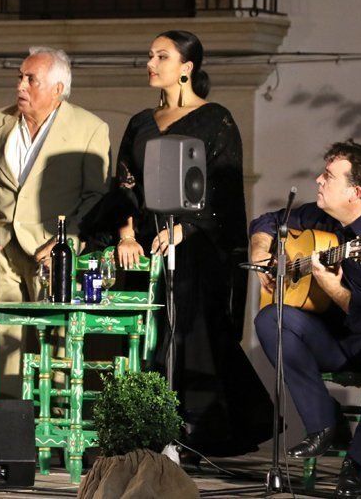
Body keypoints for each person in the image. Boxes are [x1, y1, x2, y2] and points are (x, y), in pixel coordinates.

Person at [112, 30, 273, 458]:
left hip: (196, 247)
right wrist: (127, 234)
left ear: (187, 67)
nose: (151, 63)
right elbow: (125, 186)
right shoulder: (140, 123)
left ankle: (190, 434)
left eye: (161, 56)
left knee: (186, 330)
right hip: (147, 247)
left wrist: (186, 229)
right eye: (149, 55)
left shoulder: (215, 119)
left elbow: (222, 191)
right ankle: (145, 428)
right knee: (146, 333)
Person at [250, 140, 361, 499]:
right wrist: (261, 250)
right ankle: (325, 423)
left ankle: (356, 465)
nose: (318, 180)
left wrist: (332, 288)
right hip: (344, 335)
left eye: (328, 176)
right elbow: (269, 221)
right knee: (270, 318)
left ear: (356, 191)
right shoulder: (325, 218)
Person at [0, 46, 110, 396]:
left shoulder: (90, 128)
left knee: (55, 347)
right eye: (20, 77)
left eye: (32, 79)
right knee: (3, 347)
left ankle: (54, 432)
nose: (21, 85)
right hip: (2, 253)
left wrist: (68, 241)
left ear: (58, 89)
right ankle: (4, 431)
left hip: (53, 258)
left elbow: (97, 196)